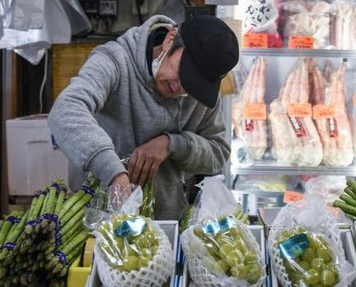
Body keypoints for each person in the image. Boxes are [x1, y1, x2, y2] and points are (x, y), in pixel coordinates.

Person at [49, 14, 240, 219]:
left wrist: (173, 144)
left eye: (191, 86)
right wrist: (113, 172)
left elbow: (218, 152)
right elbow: (65, 110)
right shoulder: (115, 61)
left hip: (164, 221)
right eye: (183, 74)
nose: (179, 88)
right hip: (94, 216)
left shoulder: (201, 95)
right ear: (170, 39)